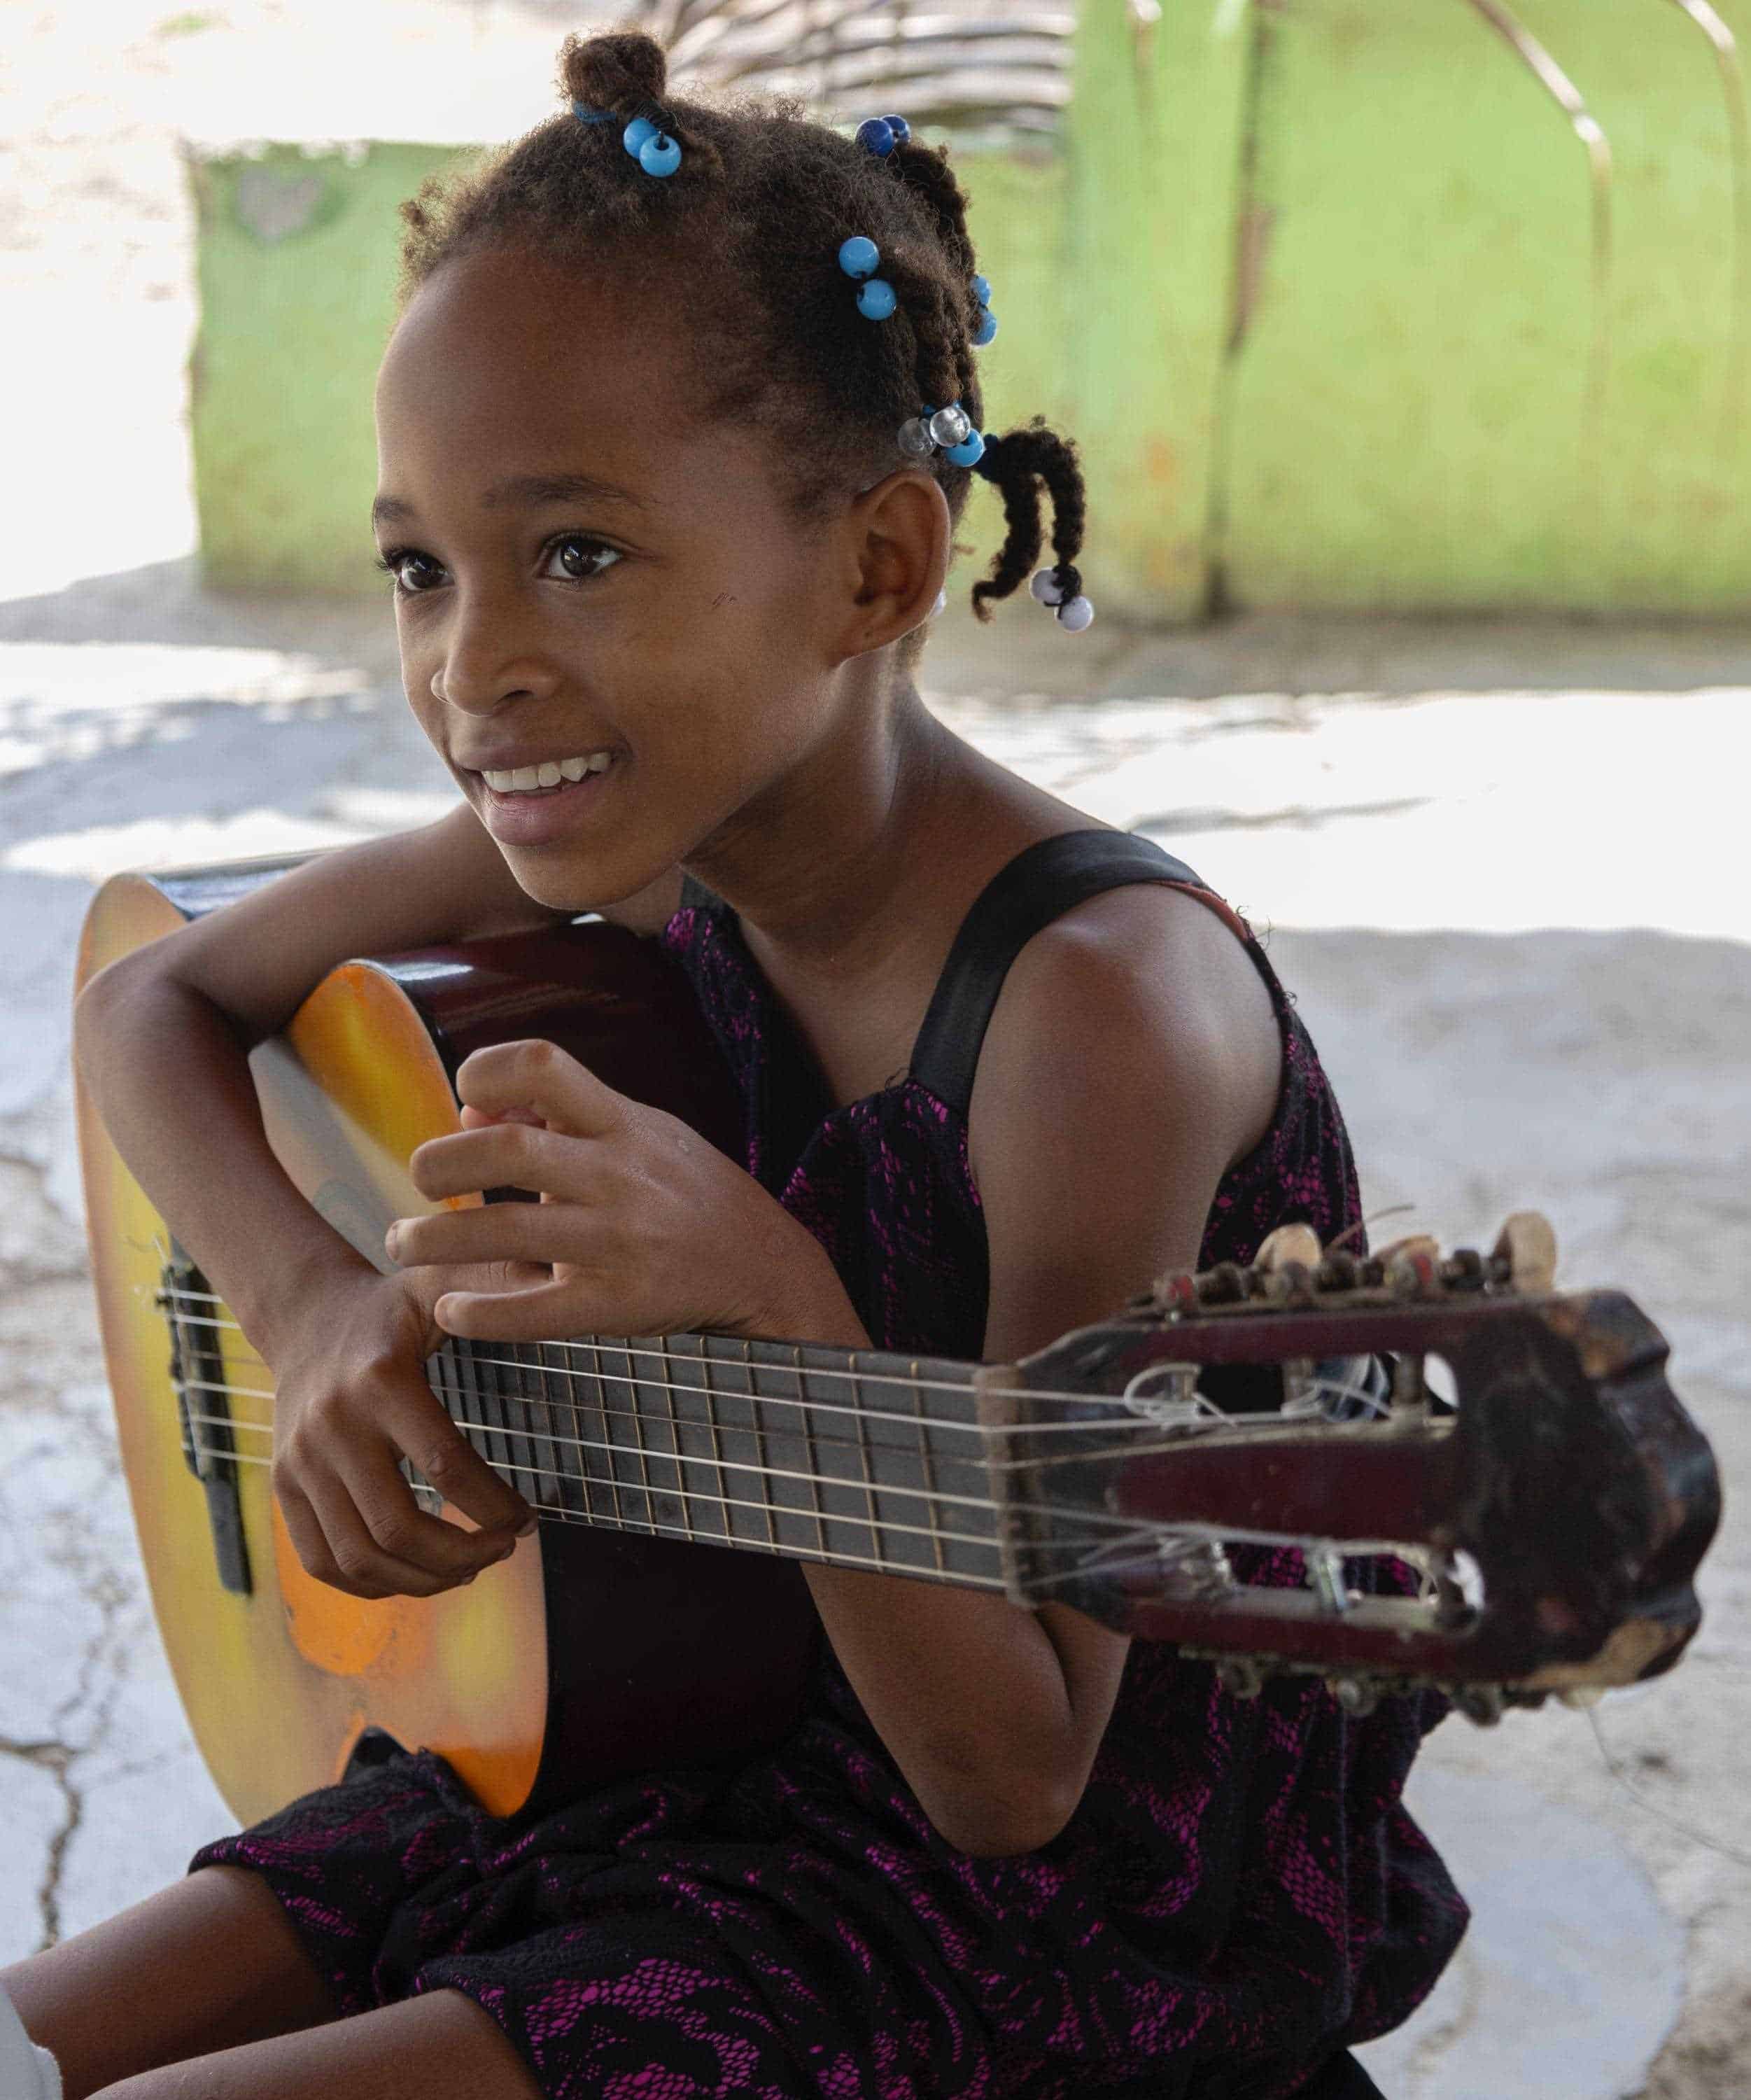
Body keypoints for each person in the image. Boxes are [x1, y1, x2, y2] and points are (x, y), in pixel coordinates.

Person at [7, 30, 1466, 2100]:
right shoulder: (634, 820)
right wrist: (312, 1300)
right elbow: (145, 1006)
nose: (469, 667)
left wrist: (781, 1302)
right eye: (420, 565)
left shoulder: (1096, 1019)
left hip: (1037, 1919)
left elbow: (1021, 1775)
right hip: (684, 1718)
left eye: (575, 556)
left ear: (875, 567)